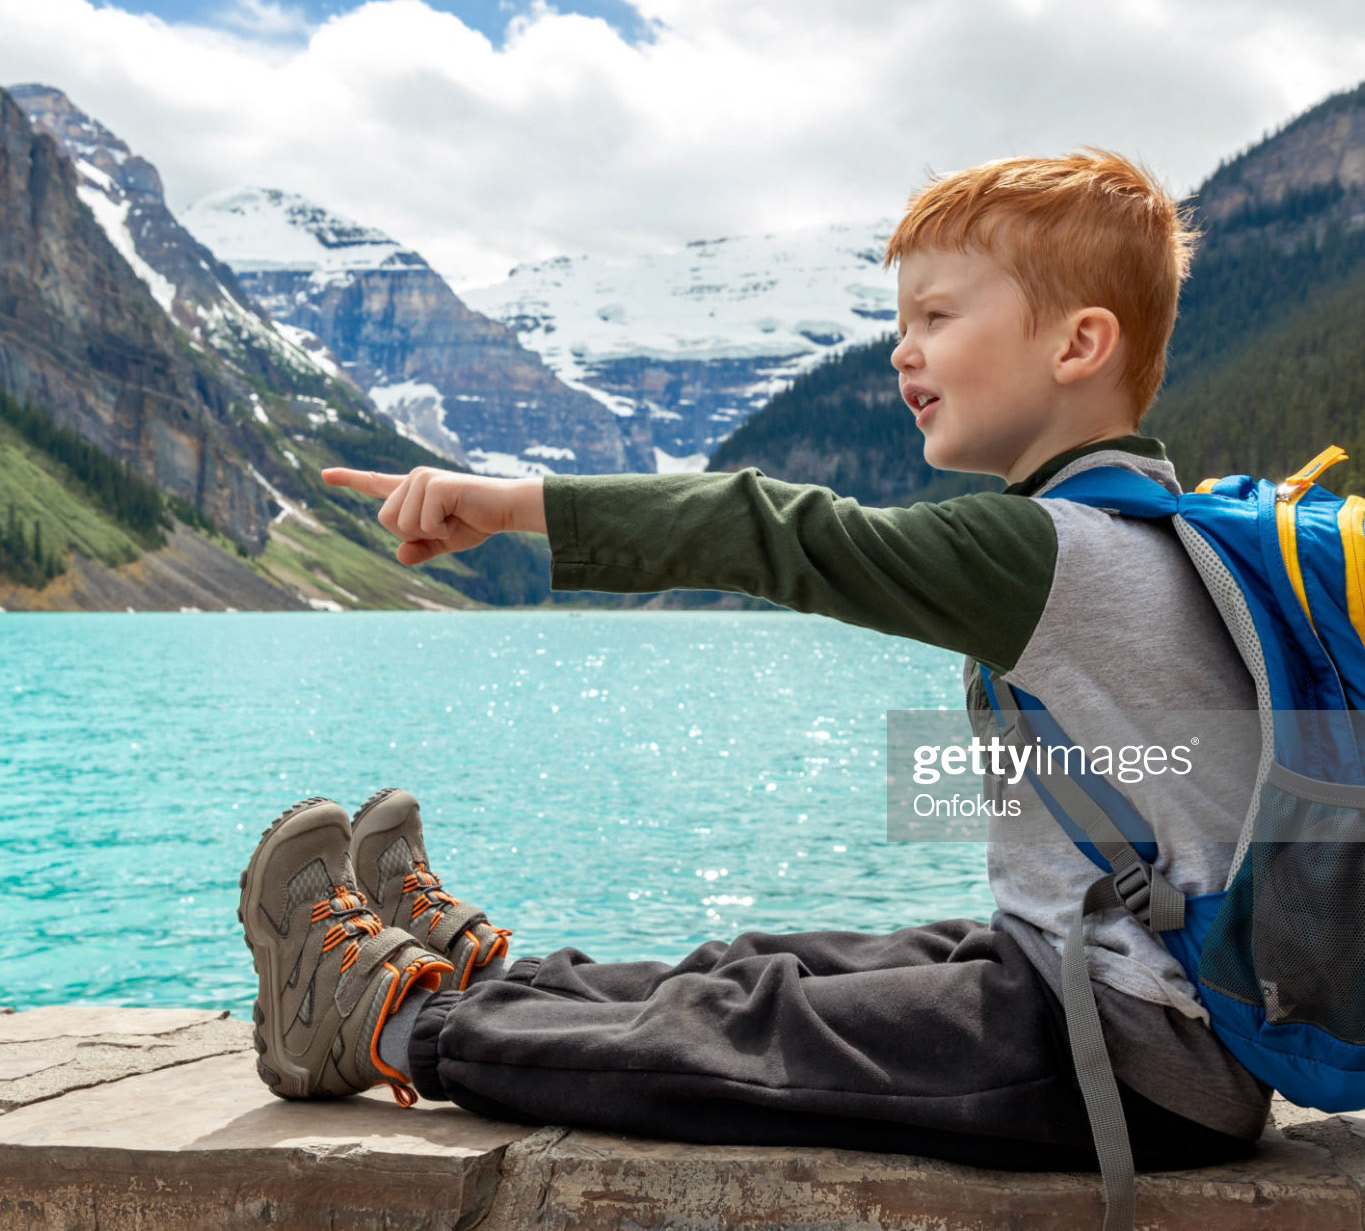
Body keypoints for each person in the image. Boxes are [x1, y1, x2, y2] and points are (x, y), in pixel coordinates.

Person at [238, 148, 1272, 1172]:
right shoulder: (1151, 530)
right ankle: (489, 984)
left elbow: (771, 529)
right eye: (901, 322)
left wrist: (511, 506)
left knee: (746, 1025)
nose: (903, 352)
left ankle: (391, 1024)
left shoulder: (1050, 552)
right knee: (761, 966)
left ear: (1079, 344)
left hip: (1133, 1062)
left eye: (939, 318)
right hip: (1118, 991)